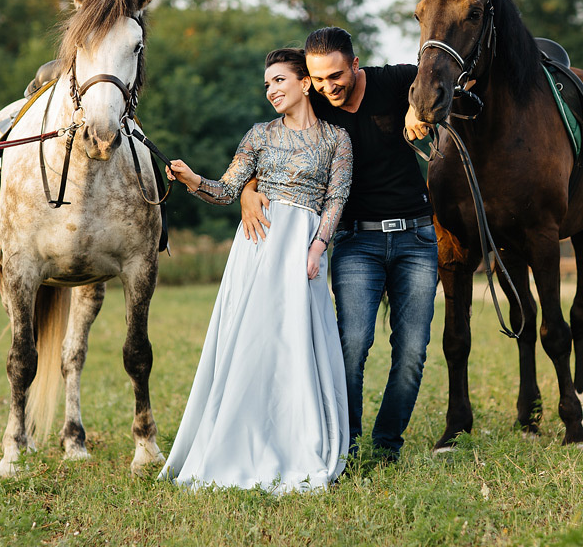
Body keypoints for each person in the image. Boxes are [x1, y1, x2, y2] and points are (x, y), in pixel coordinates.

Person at [158, 48, 353, 493]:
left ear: (306, 83)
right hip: (258, 246)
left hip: (303, 248)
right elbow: (227, 190)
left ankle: (298, 437)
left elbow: (336, 197)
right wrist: (193, 180)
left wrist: (318, 246)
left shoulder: (337, 139)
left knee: (296, 342)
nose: (271, 91)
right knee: (253, 342)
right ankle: (236, 438)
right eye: (267, 84)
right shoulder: (259, 135)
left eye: (279, 81)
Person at [241, 27, 438, 463]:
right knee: (351, 346)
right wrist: (247, 190)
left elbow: (448, 78)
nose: (329, 86)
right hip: (355, 241)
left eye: (336, 75)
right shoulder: (314, 109)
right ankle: (343, 447)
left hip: (417, 237)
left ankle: (386, 447)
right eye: (318, 78)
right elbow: (273, 148)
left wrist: (417, 108)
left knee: (411, 351)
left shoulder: (393, 81)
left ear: (354, 64)